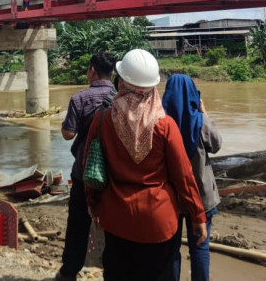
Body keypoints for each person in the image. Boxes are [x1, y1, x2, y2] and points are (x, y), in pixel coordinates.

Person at [84, 49, 207, 281]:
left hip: (116, 217)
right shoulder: (165, 125)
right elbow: (183, 176)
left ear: (121, 81)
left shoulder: (101, 121)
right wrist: (197, 216)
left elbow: (90, 168)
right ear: (152, 86)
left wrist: (93, 204)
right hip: (158, 222)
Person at [57, 52, 117, 281]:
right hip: (113, 171)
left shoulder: (80, 99)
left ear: (92, 70)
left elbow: (67, 134)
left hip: (84, 171)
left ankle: (69, 271)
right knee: (113, 226)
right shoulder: (120, 96)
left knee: (78, 226)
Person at [162, 74, 222, 281]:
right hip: (202, 195)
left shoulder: (161, 122)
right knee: (200, 246)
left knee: (171, 249)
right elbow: (216, 145)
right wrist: (205, 113)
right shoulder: (200, 121)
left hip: (171, 198)